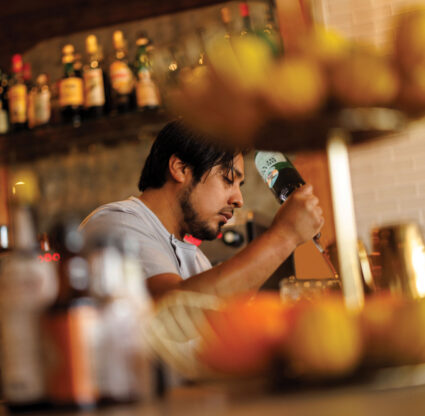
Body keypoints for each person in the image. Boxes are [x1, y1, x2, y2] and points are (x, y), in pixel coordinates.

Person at [80, 120, 324, 299]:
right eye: (228, 179)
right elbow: (175, 310)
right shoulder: (116, 225)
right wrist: (285, 235)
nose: (239, 199)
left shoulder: (197, 260)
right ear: (180, 168)